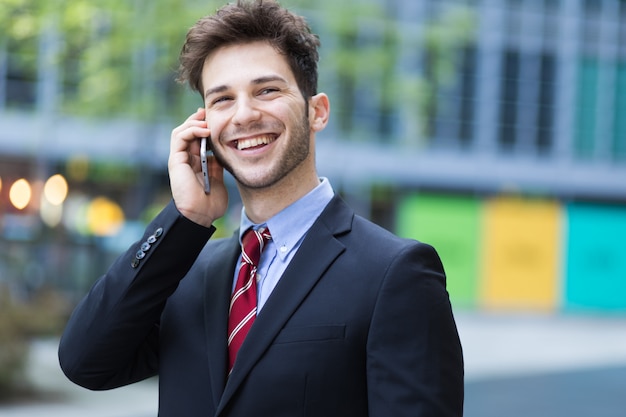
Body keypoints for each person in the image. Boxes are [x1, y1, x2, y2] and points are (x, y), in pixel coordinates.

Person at [58, 1, 464, 416]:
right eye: (222, 99)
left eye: (267, 90)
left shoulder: (396, 273)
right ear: (204, 128)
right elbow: (85, 363)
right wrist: (186, 220)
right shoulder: (185, 272)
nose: (245, 115)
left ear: (316, 111)